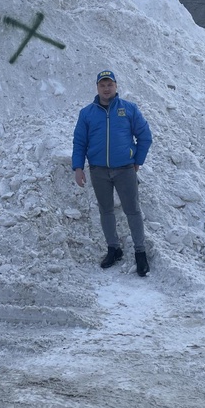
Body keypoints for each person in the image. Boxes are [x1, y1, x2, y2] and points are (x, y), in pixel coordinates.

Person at [72, 70, 153, 276]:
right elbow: (80, 142)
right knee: (106, 211)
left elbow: (145, 136)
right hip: (99, 170)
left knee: (132, 210)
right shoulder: (87, 113)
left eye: (110, 84)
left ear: (116, 86)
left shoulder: (129, 109)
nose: (106, 88)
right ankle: (113, 248)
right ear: (97, 87)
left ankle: (140, 253)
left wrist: (137, 161)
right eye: (102, 85)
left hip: (125, 170)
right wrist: (78, 167)